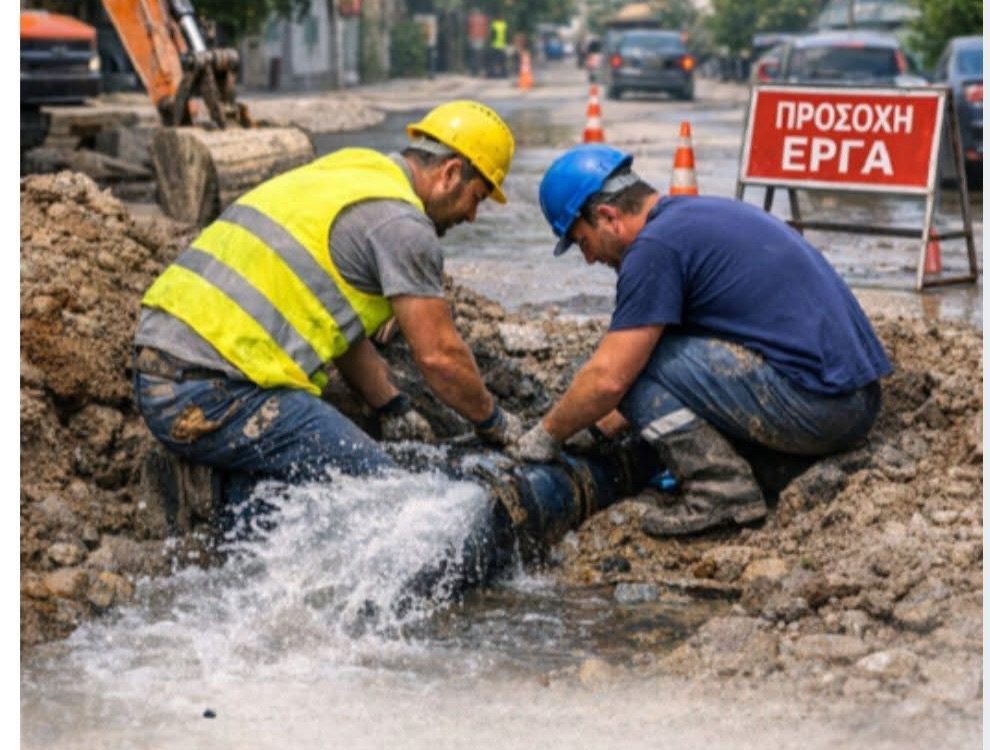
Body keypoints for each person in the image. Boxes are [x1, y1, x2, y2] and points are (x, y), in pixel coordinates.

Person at [132, 100, 522, 511]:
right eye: (477, 197)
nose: (474, 216)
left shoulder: (352, 168)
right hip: (210, 388)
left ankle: (222, 496)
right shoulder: (404, 226)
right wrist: (494, 422)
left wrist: (392, 406)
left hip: (162, 364)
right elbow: (440, 357)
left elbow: (338, 324)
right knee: (387, 500)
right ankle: (211, 505)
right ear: (451, 173)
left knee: (333, 472)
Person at [509, 144, 892, 536]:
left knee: (628, 369)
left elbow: (612, 379)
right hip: (855, 402)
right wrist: (596, 428)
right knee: (639, 363)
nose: (590, 259)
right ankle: (770, 466)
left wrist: (547, 434)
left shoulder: (653, 250)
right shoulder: (695, 218)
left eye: (583, 242)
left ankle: (721, 492)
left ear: (608, 217)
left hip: (821, 411)